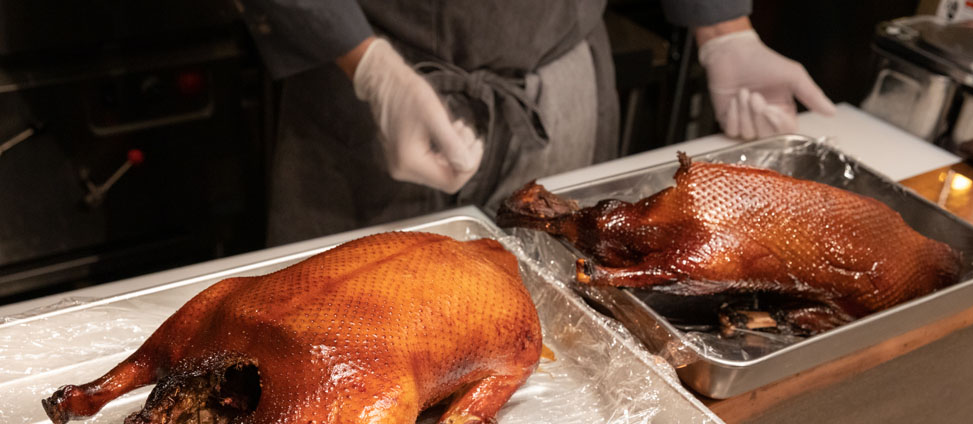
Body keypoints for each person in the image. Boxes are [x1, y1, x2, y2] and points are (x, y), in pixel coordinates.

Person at [239, 1, 835, 246]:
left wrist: (723, 28)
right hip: (364, 88)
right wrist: (370, 68)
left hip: (560, 87)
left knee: (560, 335)